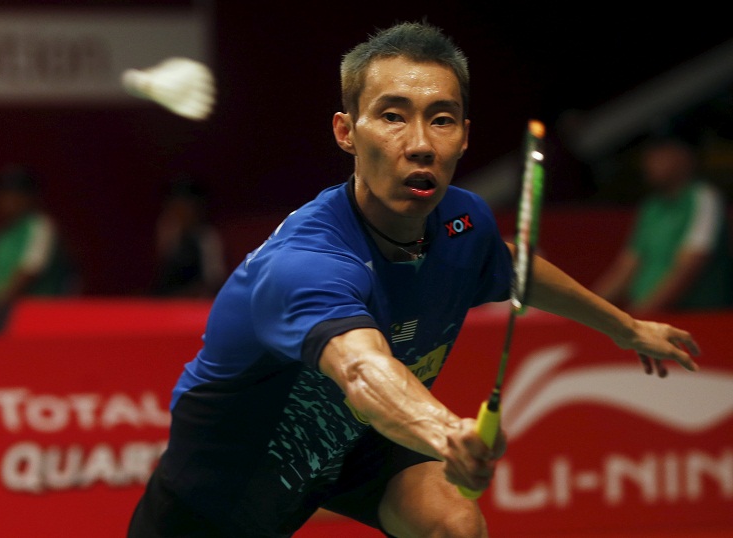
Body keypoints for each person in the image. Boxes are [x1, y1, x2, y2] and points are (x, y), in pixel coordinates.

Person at [128, 21, 701, 538]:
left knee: (454, 525)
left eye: (442, 119)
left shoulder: (462, 223)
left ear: (465, 136)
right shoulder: (307, 263)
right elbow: (362, 369)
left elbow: (510, 266)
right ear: (346, 131)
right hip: (222, 489)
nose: (421, 143)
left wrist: (625, 328)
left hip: (355, 448)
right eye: (393, 115)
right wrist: (448, 432)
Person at [592, 135, 733, 313]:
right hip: (649, 319)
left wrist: (643, 313)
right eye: (649, 156)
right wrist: (588, 308)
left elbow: (690, 265)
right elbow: (628, 265)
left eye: (659, 155)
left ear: (683, 157)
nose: (649, 162)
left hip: (695, 318)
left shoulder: (703, 197)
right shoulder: (651, 207)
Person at [0, 164, 78, 306]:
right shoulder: (1, 234)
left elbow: (29, 272)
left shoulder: (40, 226)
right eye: (0, 194)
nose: (5, 201)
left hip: (30, 313)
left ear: (29, 198)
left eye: (13, 194)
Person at [150, 174, 227, 298]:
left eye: (184, 208)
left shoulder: (207, 237)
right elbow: (165, 275)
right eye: (174, 207)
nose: (179, 213)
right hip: (168, 300)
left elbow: (214, 280)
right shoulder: (169, 231)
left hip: (196, 301)